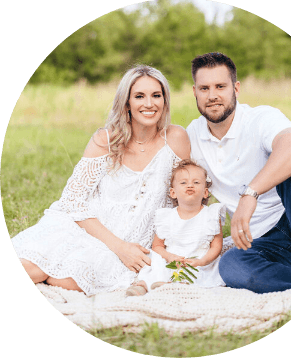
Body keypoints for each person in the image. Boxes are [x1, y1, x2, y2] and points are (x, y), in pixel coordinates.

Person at [11, 65, 190, 296]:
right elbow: (72, 202)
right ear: (126, 103)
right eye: (139, 96)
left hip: (136, 245)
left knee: (69, 279)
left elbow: (184, 198)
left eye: (157, 95)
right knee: (30, 267)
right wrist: (119, 247)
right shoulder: (106, 139)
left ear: (165, 100)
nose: (149, 104)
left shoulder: (176, 139)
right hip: (87, 229)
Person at [186, 52, 291, 299]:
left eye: (220, 86)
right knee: (231, 266)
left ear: (236, 88)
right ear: (195, 92)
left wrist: (250, 194)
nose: (212, 96)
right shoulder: (193, 134)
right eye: (204, 88)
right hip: (270, 242)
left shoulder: (260, 117)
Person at [126, 159, 226, 296]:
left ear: (205, 192)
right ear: (173, 193)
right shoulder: (166, 217)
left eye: (196, 182)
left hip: (198, 261)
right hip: (172, 260)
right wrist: (169, 256)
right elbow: (157, 246)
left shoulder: (211, 215)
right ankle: (143, 285)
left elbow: (216, 246)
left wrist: (203, 261)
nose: (190, 185)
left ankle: (172, 285)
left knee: (197, 273)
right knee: (157, 263)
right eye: (183, 183)